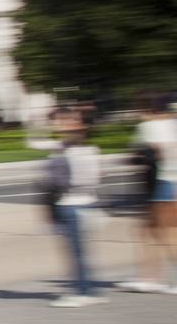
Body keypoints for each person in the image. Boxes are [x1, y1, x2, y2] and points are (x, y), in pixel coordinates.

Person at [118, 94, 177, 292]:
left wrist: (134, 158)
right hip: (170, 183)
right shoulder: (173, 125)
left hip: (162, 183)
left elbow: (148, 154)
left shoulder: (149, 127)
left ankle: (150, 277)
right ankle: (149, 277)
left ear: (149, 110)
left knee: (165, 233)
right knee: (148, 231)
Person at [45, 111, 104, 307]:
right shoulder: (91, 150)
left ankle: (82, 292)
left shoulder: (64, 154)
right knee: (82, 252)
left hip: (70, 205)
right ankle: (89, 290)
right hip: (88, 203)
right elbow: (97, 179)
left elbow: (56, 183)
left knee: (75, 252)